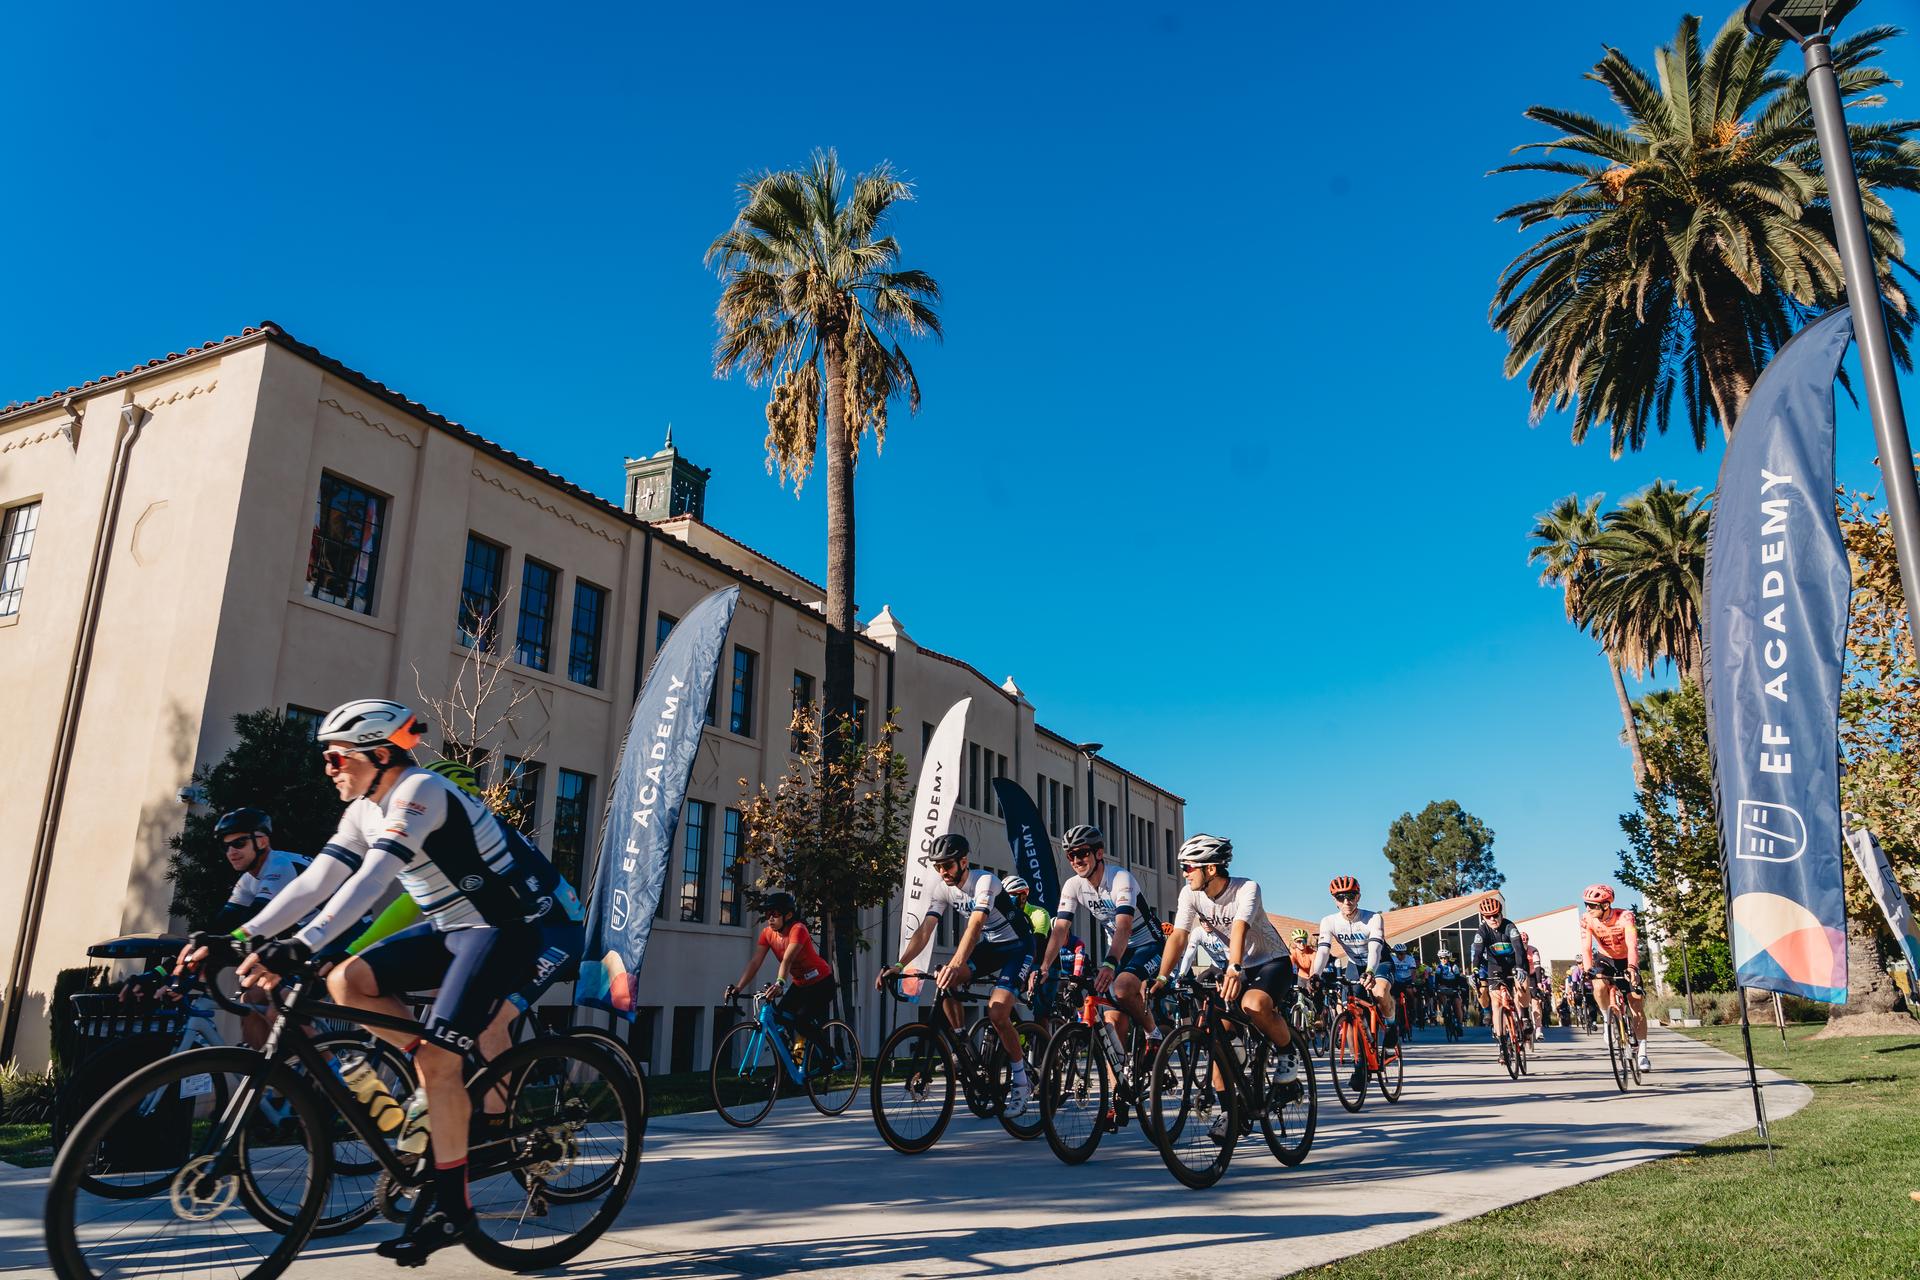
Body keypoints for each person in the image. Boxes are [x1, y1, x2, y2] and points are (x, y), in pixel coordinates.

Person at [181, 698, 580, 1264]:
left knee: (439, 1064)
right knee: (347, 980)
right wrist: (239, 939)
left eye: (337, 756)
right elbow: (317, 881)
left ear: (377, 752)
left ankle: (452, 1208)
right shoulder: (363, 809)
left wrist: (299, 944)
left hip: (504, 931)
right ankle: (438, 1076)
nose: (329, 768)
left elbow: (371, 881)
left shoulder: (421, 793)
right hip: (450, 930)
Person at [1149, 834, 1299, 1142]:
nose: (1184, 873)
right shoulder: (1190, 895)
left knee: (1254, 1005)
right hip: (1237, 967)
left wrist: (1233, 966)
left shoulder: (1246, 888)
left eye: (1189, 867)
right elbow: (1178, 937)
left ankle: (1288, 1054)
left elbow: (1240, 926)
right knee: (1215, 1034)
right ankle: (1232, 1110)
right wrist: (1163, 978)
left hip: (1270, 962)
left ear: (1211, 869)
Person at [880, 834, 1035, 1115]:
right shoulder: (942, 888)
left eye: (947, 866)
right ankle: (961, 1041)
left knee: (997, 1011)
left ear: (963, 862)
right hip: (991, 948)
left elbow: (975, 927)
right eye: (938, 866)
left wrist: (956, 964)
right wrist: (899, 965)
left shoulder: (985, 882)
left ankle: (1022, 1082)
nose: (943, 872)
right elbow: (925, 930)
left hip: (1018, 946)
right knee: (943, 977)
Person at [1031, 824, 1162, 1115]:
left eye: (1082, 853)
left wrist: (1109, 964)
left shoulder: (1120, 879)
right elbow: (1061, 930)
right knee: (1111, 1027)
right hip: (1117, 949)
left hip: (1147, 945)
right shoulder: (1073, 886)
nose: (1076, 860)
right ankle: (1120, 1095)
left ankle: (1154, 1034)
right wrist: (1043, 966)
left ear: (1098, 853)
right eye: (1071, 855)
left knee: (1122, 987)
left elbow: (1125, 926)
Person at [1310, 875, 1391, 1090]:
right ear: (1335, 899)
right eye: (1341, 897)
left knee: (1381, 994)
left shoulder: (1372, 918)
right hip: (1355, 964)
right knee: (1350, 1013)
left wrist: (1371, 972)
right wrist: (1314, 975)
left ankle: (1391, 1028)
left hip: (1379, 961)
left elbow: (1374, 948)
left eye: (1351, 896)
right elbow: (1323, 951)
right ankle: (1359, 1065)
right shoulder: (1329, 922)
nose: (1347, 901)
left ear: (1359, 897)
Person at [727, 891, 835, 1047]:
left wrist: (779, 983)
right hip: (801, 985)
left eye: (775, 913)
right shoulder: (767, 934)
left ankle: (827, 1055)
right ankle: (789, 1065)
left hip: (822, 983)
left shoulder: (798, 929)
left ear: (789, 915)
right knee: (778, 1019)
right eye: (768, 913)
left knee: (801, 1020)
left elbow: (788, 959)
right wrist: (738, 987)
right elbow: (755, 962)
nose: (770, 918)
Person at [1579, 883, 1649, 1072]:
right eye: (1587, 904)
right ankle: (1606, 1018)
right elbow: (1586, 948)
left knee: (1636, 1004)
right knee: (1598, 985)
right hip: (1605, 959)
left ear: (1606, 905)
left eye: (1592, 905)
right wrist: (1587, 970)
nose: (1588, 908)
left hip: (1626, 959)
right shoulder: (1587, 919)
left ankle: (1642, 1052)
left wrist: (1632, 968)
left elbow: (1633, 945)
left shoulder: (1625, 917)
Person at [1470, 892, 1529, 1052]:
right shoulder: (1482, 931)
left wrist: (1520, 967)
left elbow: (1519, 949)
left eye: (1495, 915)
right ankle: (1503, 1045)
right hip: (1495, 968)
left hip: (1513, 965)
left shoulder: (1510, 927)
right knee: (1496, 1004)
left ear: (1501, 914)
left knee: (1521, 988)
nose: (1492, 919)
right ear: (1483, 918)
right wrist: (1474, 971)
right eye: (1488, 917)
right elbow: (1477, 952)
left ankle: (1524, 1016)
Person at [1384, 941, 1418, 1038]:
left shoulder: (1410, 959)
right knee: (1395, 1001)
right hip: (1397, 982)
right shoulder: (1393, 959)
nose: (1400, 956)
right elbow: (1390, 971)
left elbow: (1413, 972)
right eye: (1398, 954)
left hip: (1407, 981)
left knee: (1410, 992)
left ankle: (1412, 1009)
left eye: (1402, 954)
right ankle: (1397, 1020)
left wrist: (1413, 983)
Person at [1521, 930, 1549, 1042]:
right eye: (1522, 940)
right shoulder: (1514, 949)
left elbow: (1537, 968)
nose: (1524, 942)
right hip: (1520, 976)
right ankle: (1521, 1022)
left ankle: (1538, 1029)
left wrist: (1538, 983)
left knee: (1536, 1001)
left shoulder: (1533, 950)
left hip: (1532, 976)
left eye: (1526, 940)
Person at [1434, 946, 1469, 1031]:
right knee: (1439, 994)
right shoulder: (1439, 968)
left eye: (1445, 958)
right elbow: (1436, 980)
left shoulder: (1454, 967)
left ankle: (1460, 1024)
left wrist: (1460, 987)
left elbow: (1458, 978)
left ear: (1448, 958)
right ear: (1439, 958)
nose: (1444, 959)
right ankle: (1444, 1010)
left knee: (1457, 1004)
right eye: (1441, 958)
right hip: (1444, 988)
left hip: (1453, 987)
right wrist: (1435, 988)